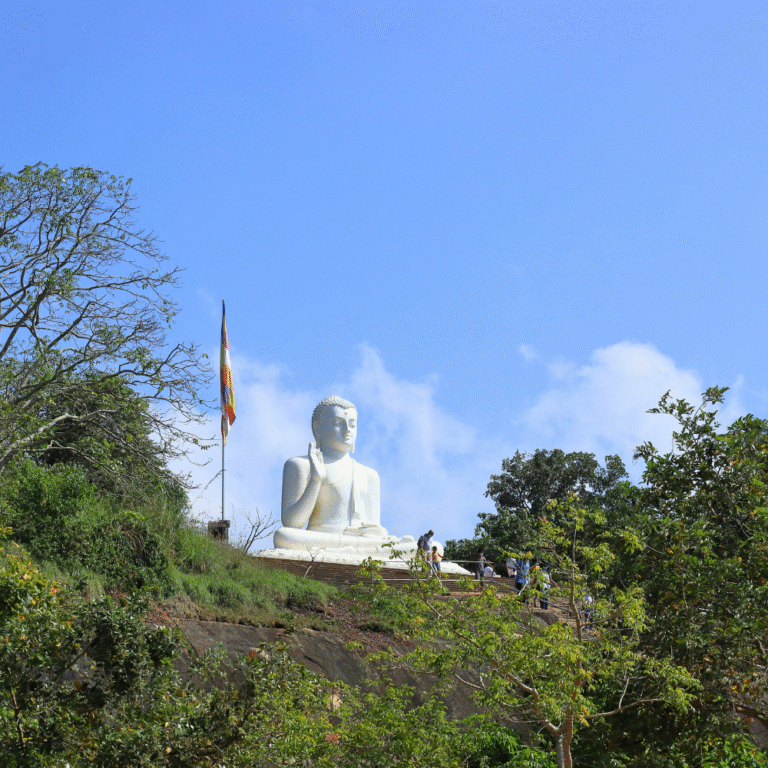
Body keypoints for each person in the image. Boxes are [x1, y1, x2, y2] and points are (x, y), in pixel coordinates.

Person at [274, 396, 415, 553]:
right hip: (319, 538)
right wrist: (316, 479)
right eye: (337, 423)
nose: (347, 429)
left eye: (352, 424)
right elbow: (292, 523)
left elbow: (373, 530)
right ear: (318, 427)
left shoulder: (370, 475)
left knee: (430, 548)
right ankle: (352, 551)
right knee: (283, 536)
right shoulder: (301, 465)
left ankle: (356, 551)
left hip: (361, 542)